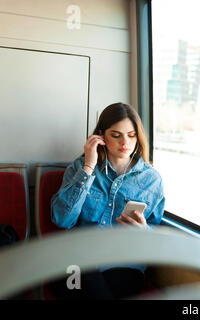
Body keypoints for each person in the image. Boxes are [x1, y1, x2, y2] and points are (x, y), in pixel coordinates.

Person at [50, 102, 165, 299]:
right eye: (116, 135)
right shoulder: (80, 167)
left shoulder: (152, 180)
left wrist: (144, 231)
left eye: (131, 135)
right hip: (78, 260)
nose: (125, 143)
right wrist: (88, 167)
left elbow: (156, 232)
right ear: (101, 135)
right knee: (79, 275)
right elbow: (62, 219)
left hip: (123, 263)